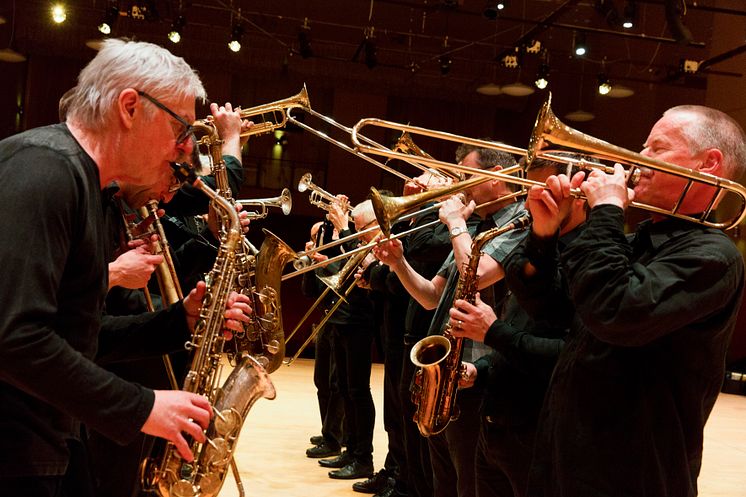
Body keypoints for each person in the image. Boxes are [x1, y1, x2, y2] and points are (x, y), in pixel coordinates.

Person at [0, 39, 252, 497]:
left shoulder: (87, 187)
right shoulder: (44, 170)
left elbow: (79, 336)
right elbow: (14, 338)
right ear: (130, 107)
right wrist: (141, 407)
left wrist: (177, 324)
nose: (186, 149)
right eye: (181, 128)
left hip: (47, 439)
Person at [519, 106, 746, 496]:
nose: (636, 159)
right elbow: (553, 311)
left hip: (632, 473)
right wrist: (543, 236)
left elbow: (616, 312)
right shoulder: (635, 241)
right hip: (567, 455)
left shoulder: (713, 256)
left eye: (656, 149)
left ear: (708, 164)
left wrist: (605, 213)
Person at [374, 145, 528, 497]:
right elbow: (431, 296)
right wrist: (398, 263)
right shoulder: (477, 228)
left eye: (467, 176)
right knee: (441, 479)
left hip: (480, 373)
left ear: (499, 179)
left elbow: (477, 274)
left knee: (469, 483)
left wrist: (457, 223)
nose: (460, 185)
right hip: (447, 371)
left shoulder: (521, 223)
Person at [446, 155, 588, 497]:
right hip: (496, 425)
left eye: (547, 190)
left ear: (580, 192)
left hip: (539, 434)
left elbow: (568, 355)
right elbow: (521, 327)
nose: (533, 199)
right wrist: (479, 370)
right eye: (531, 189)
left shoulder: (591, 258)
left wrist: (491, 331)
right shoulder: (535, 248)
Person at [314, 198, 378, 480]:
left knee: (358, 392)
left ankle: (363, 457)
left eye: (361, 227)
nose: (358, 231)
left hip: (360, 323)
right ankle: (351, 450)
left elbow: (361, 259)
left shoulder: (375, 242)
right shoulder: (359, 239)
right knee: (345, 389)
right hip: (343, 320)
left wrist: (343, 229)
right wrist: (334, 227)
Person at [301, 219, 347, 459]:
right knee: (322, 381)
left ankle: (334, 438)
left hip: (344, 320)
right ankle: (330, 430)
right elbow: (309, 292)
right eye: (312, 237)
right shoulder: (320, 257)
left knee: (337, 382)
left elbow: (344, 280)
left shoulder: (343, 250)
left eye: (318, 236)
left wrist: (326, 263)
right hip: (326, 320)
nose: (315, 241)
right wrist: (309, 265)